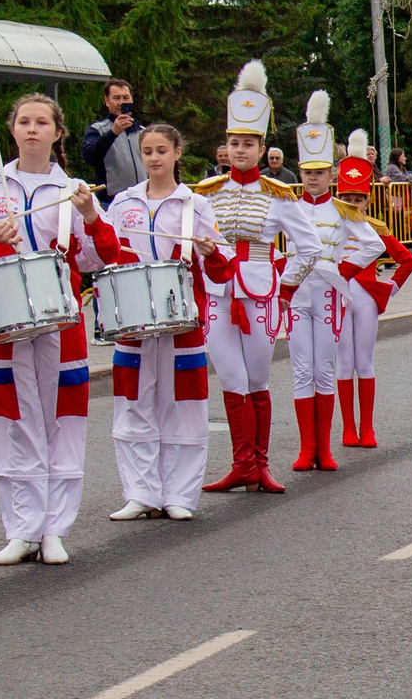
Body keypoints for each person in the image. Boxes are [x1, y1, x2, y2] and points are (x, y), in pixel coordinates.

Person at [0, 93, 110, 566]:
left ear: (57, 132)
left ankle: (55, 530)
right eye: (24, 121)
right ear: (11, 129)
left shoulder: (73, 189)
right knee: (11, 420)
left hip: (60, 319)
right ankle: (21, 529)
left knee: (62, 420)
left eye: (41, 122)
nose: (32, 129)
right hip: (3, 319)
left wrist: (89, 217)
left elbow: (97, 257)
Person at [193, 62, 313, 494]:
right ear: (224, 147)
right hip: (218, 293)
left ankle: (259, 465)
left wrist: (285, 287)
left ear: (262, 150)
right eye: (233, 143)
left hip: (260, 294)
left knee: (257, 380)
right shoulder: (205, 192)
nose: (239, 150)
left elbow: (310, 246)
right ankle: (241, 464)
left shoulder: (279, 195)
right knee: (231, 379)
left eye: (247, 144)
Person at [99, 122, 220, 522]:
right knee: (133, 403)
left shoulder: (195, 206)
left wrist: (210, 253)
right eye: (147, 150)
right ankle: (141, 492)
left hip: (181, 320)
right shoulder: (121, 204)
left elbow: (219, 270)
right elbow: (104, 256)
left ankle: (180, 495)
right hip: (132, 319)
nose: (154, 158)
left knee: (184, 404)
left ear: (176, 153)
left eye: (161, 150)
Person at [332, 130, 412, 448]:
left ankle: (367, 428)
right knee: (343, 363)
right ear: (338, 198)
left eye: (358, 199)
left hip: (366, 297)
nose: (353, 204)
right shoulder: (328, 230)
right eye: (347, 199)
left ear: (367, 199)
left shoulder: (375, 229)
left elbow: (408, 260)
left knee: (364, 361)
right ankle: (347, 428)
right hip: (338, 299)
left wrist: (391, 288)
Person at [280, 93, 352, 475]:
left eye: (320, 171)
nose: (312, 177)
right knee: (301, 370)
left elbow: (374, 243)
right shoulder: (288, 204)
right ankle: (306, 448)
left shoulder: (342, 211)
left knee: (324, 370)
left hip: (327, 296)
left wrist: (345, 272)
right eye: (307, 171)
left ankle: (324, 448)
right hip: (297, 295)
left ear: (332, 174)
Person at [82, 79, 146, 202]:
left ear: (132, 100)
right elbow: (90, 157)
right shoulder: (97, 130)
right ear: (107, 101)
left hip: (141, 198)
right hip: (111, 200)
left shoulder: (143, 132)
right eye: (116, 98)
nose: (121, 103)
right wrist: (113, 133)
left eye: (126, 98)